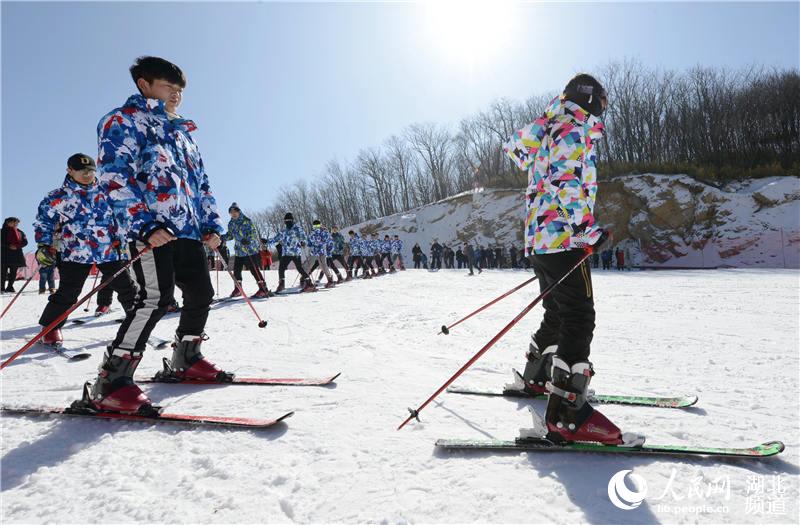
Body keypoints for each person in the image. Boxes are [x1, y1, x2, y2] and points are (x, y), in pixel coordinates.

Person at [84, 56, 230, 414]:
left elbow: (201, 184)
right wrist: (145, 225)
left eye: (180, 90)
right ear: (144, 84)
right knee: (154, 299)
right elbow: (115, 176)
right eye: (169, 87)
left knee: (201, 292)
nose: (176, 95)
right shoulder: (123, 121)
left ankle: (187, 358)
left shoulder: (183, 134)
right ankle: (112, 380)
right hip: (151, 230)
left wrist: (211, 224)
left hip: (189, 230)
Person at [504, 73, 622, 444]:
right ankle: (568, 414)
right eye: (602, 102)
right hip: (564, 238)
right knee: (579, 315)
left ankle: (538, 377)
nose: (604, 110)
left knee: (557, 310)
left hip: (542, 239)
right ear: (589, 99)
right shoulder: (572, 128)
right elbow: (567, 182)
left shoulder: (553, 127)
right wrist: (587, 230)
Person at [33, 153, 138, 348]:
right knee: (68, 292)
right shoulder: (57, 197)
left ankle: (138, 324)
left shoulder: (109, 192)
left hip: (110, 250)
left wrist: (125, 237)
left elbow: (125, 216)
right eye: (82, 171)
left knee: (127, 287)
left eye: (91, 170)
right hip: (75, 252)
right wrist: (43, 245)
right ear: (70, 171)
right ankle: (51, 328)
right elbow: (43, 223)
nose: (87, 174)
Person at [224, 203, 271, 298]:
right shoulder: (231, 223)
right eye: (231, 212)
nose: (233, 214)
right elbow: (230, 235)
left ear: (239, 211)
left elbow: (253, 233)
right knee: (237, 271)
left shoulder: (247, 221)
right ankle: (238, 289)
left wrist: (248, 240)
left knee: (254, 270)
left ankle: (263, 288)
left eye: (235, 211)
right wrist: (221, 238)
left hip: (249, 250)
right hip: (239, 251)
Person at [267, 213, 314, 292]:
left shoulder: (298, 229)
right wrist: (267, 241)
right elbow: (276, 239)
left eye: (289, 220)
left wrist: (303, 242)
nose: (287, 222)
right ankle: (281, 284)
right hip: (286, 253)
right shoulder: (284, 231)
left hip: (295, 252)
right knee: (281, 268)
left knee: (299, 269)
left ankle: (309, 284)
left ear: (292, 220)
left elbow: (304, 237)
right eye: (286, 221)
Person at [305, 219, 335, 288]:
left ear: (320, 225)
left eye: (317, 225)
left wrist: (329, 249)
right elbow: (330, 241)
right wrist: (329, 249)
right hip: (319, 251)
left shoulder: (321, 232)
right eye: (315, 225)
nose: (316, 226)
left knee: (318, 265)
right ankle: (330, 280)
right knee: (320, 265)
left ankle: (330, 280)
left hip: (318, 251)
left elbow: (329, 241)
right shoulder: (321, 231)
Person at [1, 217, 28, 293]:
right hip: (4, 255)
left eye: (17, 223)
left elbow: (25, 242)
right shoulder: (1, 231)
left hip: (16, 255)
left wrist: (17, 246)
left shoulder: (20, 232)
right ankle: (1, 287)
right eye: (14, 222)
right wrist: (9, 246)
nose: (16, 224)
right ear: (8, 222)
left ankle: (10, 287)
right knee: (2, 272)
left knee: (13, 273)